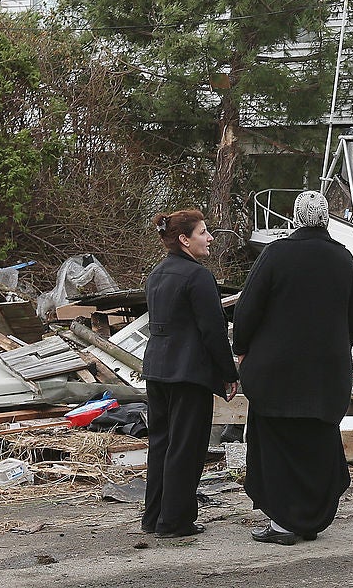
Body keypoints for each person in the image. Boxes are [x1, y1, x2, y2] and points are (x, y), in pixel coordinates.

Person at [232, 190, 353, 545]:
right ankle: (310, 519)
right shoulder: (343, 258)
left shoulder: (277, 254)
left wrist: (241, 348)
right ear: (325, 218)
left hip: (276, 374)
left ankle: (282, 524)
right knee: (317, 445)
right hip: (326, 375)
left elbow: (247, 310)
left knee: (276, 446)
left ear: (294, 217)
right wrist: (335, 349)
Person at [141, 209, 239, 538]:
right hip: (187, 373)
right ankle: (175, 521)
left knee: (161, 445)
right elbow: (213, 330)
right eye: (203, 232)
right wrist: (228, 373)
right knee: (186, 447)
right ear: (185, 240)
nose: (209, 238)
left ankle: (153, 517)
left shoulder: (156, 274)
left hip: (157, 370)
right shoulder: (198, 277)